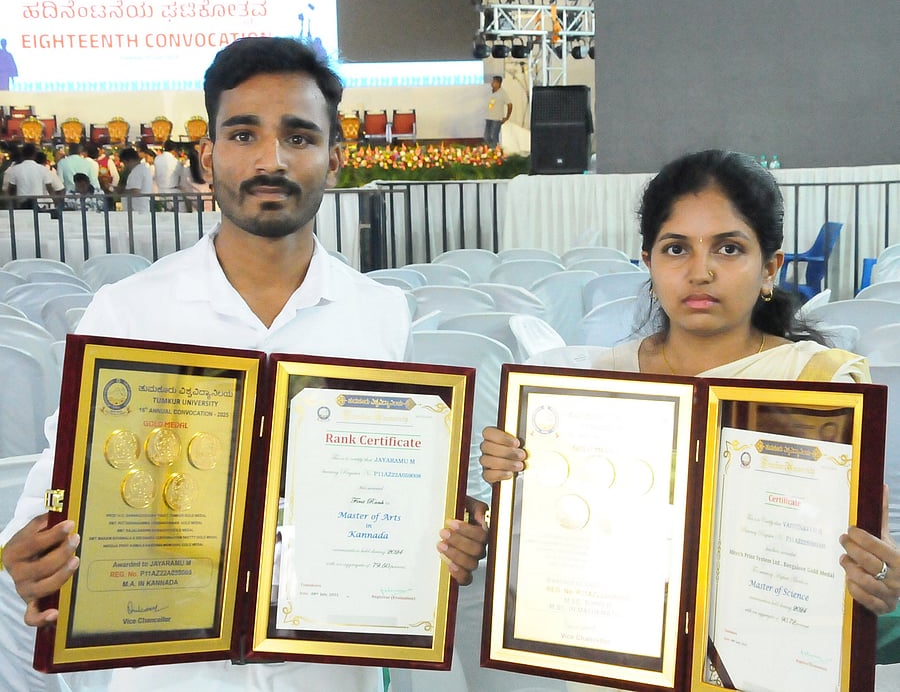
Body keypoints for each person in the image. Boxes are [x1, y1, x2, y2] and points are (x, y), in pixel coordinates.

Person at [0, 36, 488, 692]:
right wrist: (30, 555)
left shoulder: (380, 316)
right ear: (208, 157)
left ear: (334, 159)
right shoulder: (128, 315)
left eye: (298, 137)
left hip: (329, 672)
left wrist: (452, 537)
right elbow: (45, 503)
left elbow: (416, 501)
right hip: (171, 673)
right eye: (241, 135)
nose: (270, 160)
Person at [479, 149, 900, 690]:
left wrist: (879, 584)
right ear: (648, 263)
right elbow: (566, 539)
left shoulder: (816, 384)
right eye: (676, 248)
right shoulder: (604, 382)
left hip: (766, 667)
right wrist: (520, 490)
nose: (700, 272)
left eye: (728, 247)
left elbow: (847, 570)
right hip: (625, 660)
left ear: (770, 267)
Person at [5, 142, 64, 209]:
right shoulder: (42, 169)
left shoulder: (15, 169)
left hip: (22, 205)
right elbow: (49, 188)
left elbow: (11, 190)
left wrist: (12, 205)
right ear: (34, 155)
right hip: (39, 205)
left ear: (22, 154)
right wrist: (56, 203)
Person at [116, 146, 154, 213]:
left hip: (136, 211)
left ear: (129, 160)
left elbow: (135, 192)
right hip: (142, 209)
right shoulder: (144, 168)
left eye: (125, 163)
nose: (125, 166)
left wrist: (120, 191)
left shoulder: (136, 172)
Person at [178, 144, 212, 212]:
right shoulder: (206, 169)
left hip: (191, 202)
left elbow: (182, 185)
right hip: (207, 201)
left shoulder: (185, 170)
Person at [153, 139, 183, 210]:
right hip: (173, 191)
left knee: (163, 215)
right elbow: (181, 175)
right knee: (178, 215)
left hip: (160, 190)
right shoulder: (175, 161)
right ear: (173, 150)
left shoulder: (157, 159)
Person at [483, 75, 512, 149]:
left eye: (494, 82)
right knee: (486, 136)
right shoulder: (492, 92)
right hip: (489, 118)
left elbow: (510, 105)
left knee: (494, 137)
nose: (492, 83)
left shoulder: (502, 93)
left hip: (496, 119)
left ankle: (495, 151)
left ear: (499, 83)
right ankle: (492, 150)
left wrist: (507, 117)